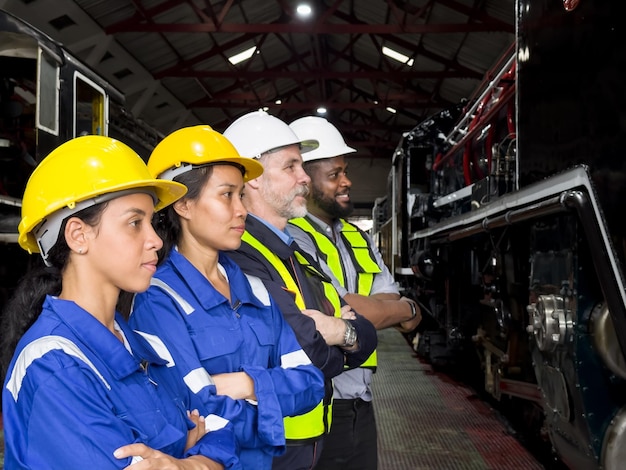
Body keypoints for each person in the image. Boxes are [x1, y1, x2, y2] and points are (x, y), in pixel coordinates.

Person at [0, 135, 239, 469]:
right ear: (78, 236)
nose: (155, 240)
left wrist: (182, 464)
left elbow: (220, 427)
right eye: (134, 223)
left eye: (151, 223)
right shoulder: (54, 367)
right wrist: (189, 449)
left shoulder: (138, 342)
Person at [128, 125, 326, 469]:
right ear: (184, 205)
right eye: (227, 195)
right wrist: (271, 403)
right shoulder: (158, 299)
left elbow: (311, 383)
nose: (242, 210)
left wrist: (245, 383)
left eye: (241, 196)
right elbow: (193, 409)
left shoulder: (257, 290)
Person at [222, 110, 378, 470]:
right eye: (291, 167)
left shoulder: (295, 251)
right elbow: (314, 353)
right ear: (255, 178)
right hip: (275, 442)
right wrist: (340, 338)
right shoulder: (241, 256)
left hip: (311, 438)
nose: (305, 178)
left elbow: (364, 337)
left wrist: (341, 330)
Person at [287, 116, 422, 470]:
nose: (347, 182)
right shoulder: (291, 238)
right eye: (334, 175)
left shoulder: (357, 236)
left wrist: (390, 308)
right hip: (321, 406)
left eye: (345, 171)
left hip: (362, 403)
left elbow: (382, 306)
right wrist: (405, 308)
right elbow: (354, 308)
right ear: (303, 178)